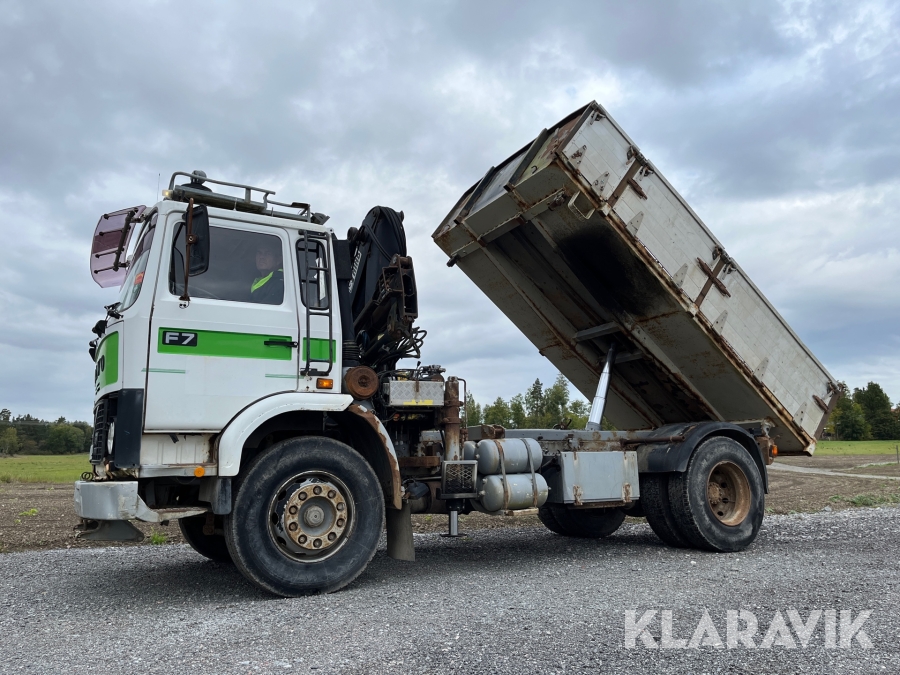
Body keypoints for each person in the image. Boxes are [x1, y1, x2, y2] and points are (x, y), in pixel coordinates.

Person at [251, 240, 284, 305]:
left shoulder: (279, 282)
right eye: (259, 253)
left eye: (268, 253)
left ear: (279, 260)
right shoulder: (258, 279)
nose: (261, 257)